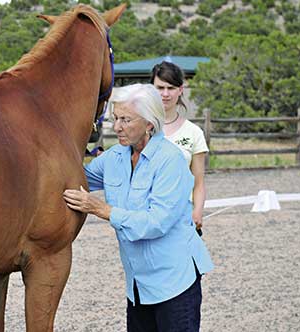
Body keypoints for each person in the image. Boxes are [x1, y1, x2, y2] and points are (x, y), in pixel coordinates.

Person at [63, 84, 214, 332]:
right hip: (138, 286)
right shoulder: (115, 157)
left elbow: (157, 222)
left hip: (175, 282)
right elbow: (77, 177)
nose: (117, 127)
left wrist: (102, 209)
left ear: (149, 124)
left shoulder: (170, 160)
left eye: (125, 119)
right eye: (115, 118)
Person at [150, 61, 209, 234]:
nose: (165, 94)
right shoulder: (141, 129)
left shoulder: (194, 133)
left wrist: (197, 211)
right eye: (160, 88)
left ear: (180, 90)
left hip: (182, 218)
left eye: (171, 88)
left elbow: (198, 183)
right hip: (147, 217)